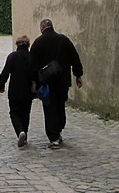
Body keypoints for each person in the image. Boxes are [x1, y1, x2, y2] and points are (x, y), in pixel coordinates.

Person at [29, 19, 84, 149]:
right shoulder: (64, 40)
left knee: (49, 109)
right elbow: (74, 58)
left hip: (46, 83)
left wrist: (33, 82)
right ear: (52, 27)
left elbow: (32, 65)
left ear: (42, 28)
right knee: (60, 105)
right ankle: (59, 128)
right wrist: (78, 75)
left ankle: (53, 137)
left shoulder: (38, 42)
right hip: (62, 81)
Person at [0, 35, 35, 147]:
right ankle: (25, 135)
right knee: (26, 113)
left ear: (17, 44)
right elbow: (36, 73)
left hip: (14, 90)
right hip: (28, 90)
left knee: (14, 112)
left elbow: (5, 73)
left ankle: (20, 131)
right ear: (28, 45)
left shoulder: (12, 56)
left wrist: (1, 85)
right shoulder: (31, 57)